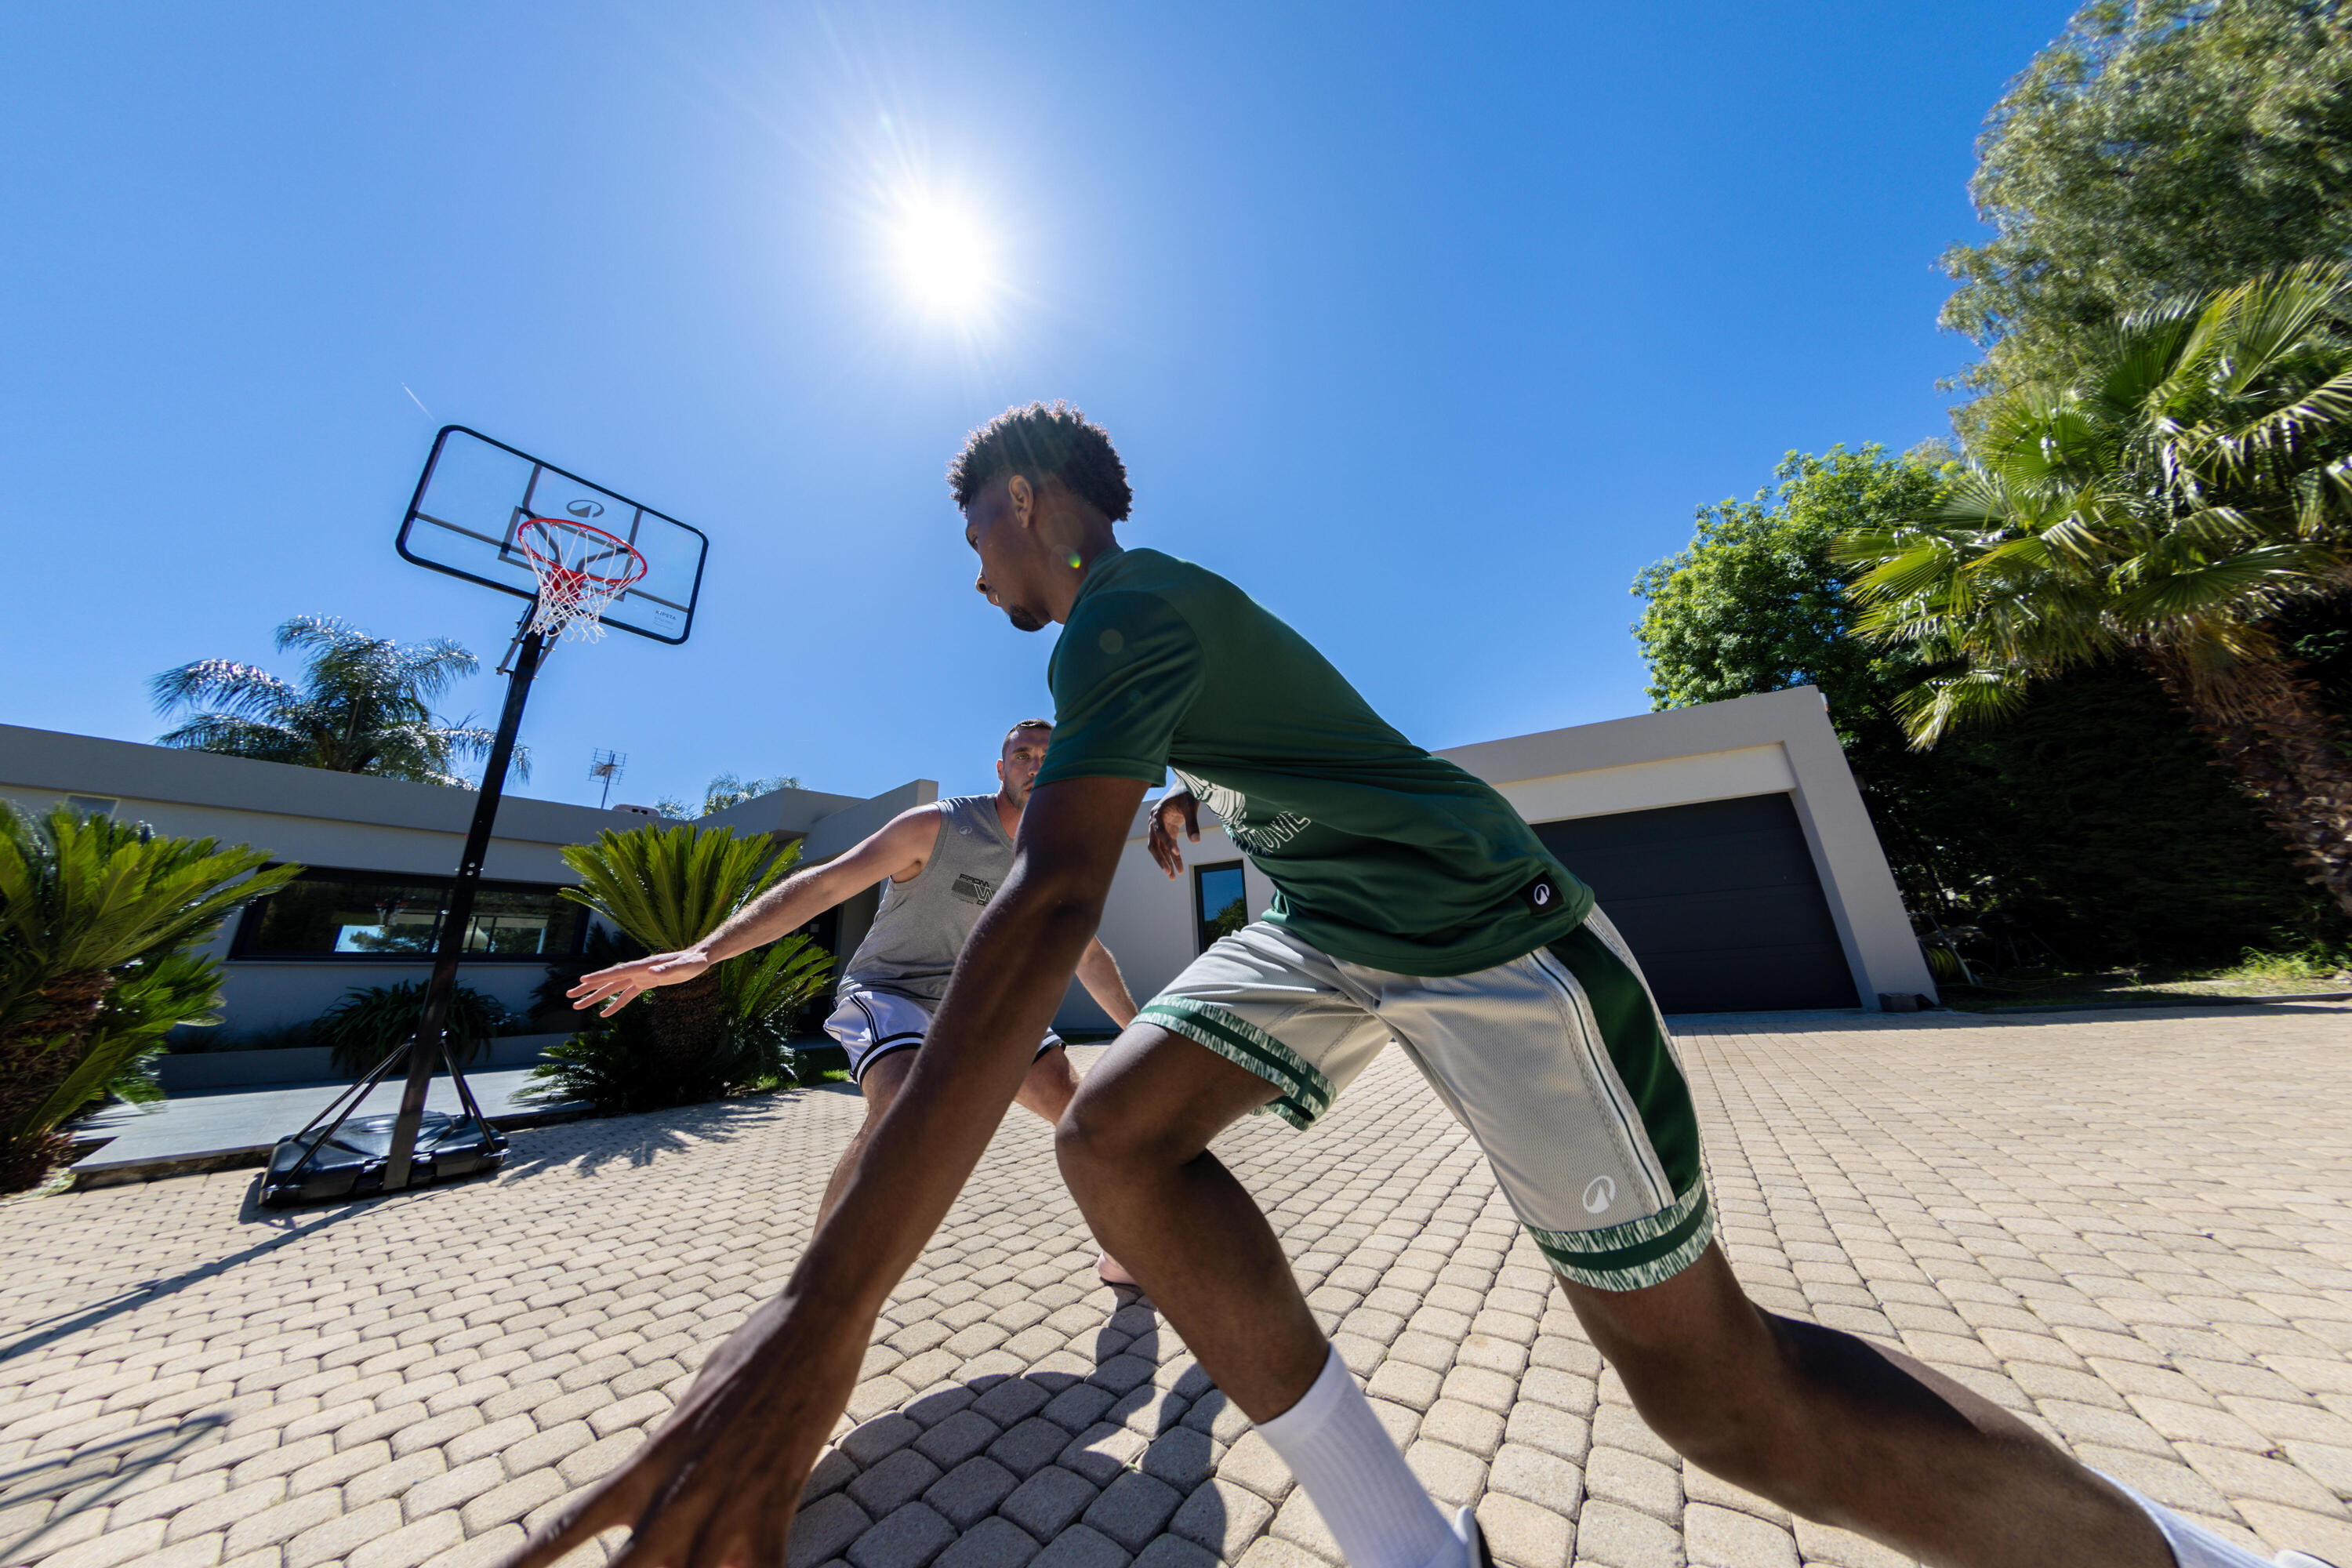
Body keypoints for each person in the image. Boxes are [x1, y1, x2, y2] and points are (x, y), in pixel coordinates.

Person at [506, 405, 2332, 1568]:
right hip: (1328, 924)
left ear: (1035, 503)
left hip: (1483, 933)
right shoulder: (1146, 641)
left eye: (976, 533)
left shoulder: (1126, 610)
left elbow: (1045, 904)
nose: (974, 570)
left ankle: (2178, 1556)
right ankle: (1408, 1544)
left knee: (1719, 1399)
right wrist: (1205, 814)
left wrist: (818, 1321)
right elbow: (1237, 777)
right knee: (1117, 1135)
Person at [564, 718, 1142, 1282]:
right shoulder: (935, 826)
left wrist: (1138, 1030)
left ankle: (1122, 1249)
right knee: (901, 1104)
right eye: (1022, 756)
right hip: (894, 990)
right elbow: (826, 884)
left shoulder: (1059, 859)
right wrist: (706, 953)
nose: (1036, 766)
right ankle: (814, 1290)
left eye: (1048, 758)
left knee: (1080, 1111)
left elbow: (1086, 954)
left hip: (987, 1001)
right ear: (1000, 768)